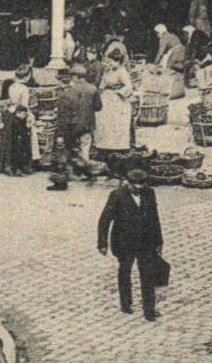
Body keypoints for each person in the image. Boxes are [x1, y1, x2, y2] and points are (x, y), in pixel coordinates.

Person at [97, 169, 164, 321]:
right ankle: (126, 303)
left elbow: (154, 218)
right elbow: (105, 220)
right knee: (124, 272)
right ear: (128, 183)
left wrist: (159, 241)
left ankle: (149, 310)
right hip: (124, 242)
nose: (139, 188)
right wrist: (102, 243)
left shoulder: (150, 193)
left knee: (147, 274)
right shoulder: (117, 195)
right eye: (136, 185)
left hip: (145, 242)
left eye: (142, 184)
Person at [57, 65, 97, 170]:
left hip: (73, 125)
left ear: (74, 77)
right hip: (88, 124)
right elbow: (98, 107)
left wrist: (60, 133)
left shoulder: (67, 93)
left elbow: (62, 115)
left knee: (73, 149)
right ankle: (86, 169)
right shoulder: (93, 89)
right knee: (85, 147)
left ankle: (76, 170)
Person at [94, 52, 135, 153]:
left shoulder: (122, 72)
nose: (110, 63)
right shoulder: (108, 71)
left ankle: (117, 145)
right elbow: (102, 84)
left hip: (117, 99)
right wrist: (99, 92)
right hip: (106, 97)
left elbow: (128, 86)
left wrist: (119, 92)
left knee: (116, 122)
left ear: (118, 62)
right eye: (109, 61)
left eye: (112, 62)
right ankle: (103, 144)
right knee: (104, 120)